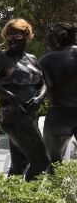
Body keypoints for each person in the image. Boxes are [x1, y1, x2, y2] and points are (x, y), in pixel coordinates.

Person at [0, 18, 49, 180]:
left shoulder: (32, 59)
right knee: (41, 161)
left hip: (29, 117)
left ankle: (10, 202)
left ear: (26, 36)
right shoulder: (2, 58)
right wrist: (10, 96)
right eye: (8, 37)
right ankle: (28, 200)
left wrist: (39, 97)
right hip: (12, 117)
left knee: (19, 165)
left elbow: (43, 83)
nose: (11, 41)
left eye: (16, 37)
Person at [39, 22, 77, 165]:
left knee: (54, 163)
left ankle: (56, 186)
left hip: (57, 116)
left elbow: (36, 88)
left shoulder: (46, 60)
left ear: (56, 39)